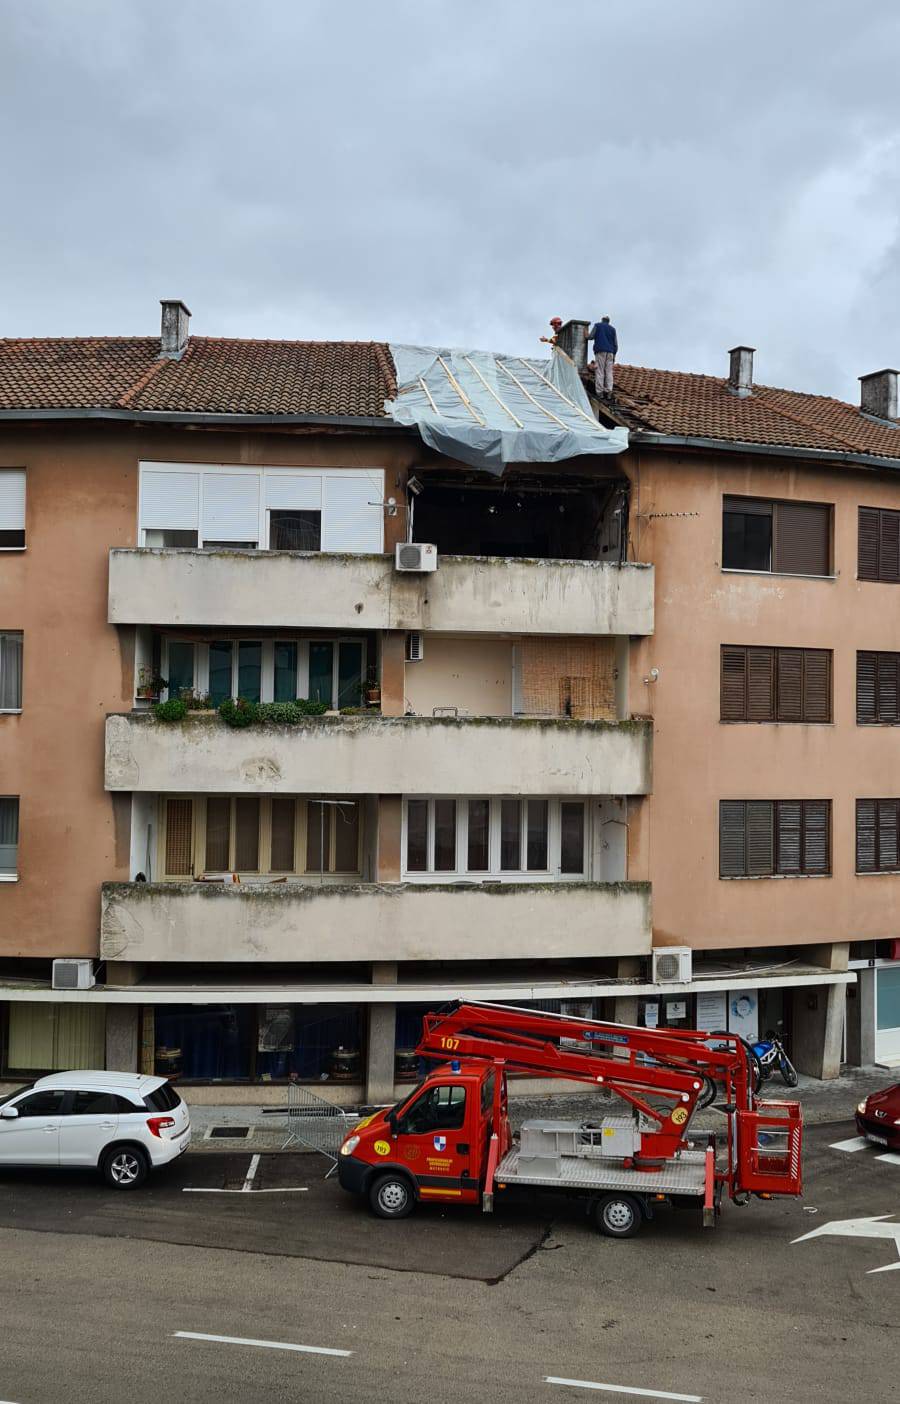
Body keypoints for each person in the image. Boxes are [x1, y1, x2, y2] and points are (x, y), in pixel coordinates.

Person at [585, 315, 618, 398]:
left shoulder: (597, 326)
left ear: (602, 320)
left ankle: (600, 392)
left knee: (600, 371)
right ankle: (609, 391)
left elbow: (591, 337)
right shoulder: (613, 329)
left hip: (600, 351)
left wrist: (586, 334)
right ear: (608, 321)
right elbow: (615, 344)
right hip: (610, 352)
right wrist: (614, 355)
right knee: (609, 372)